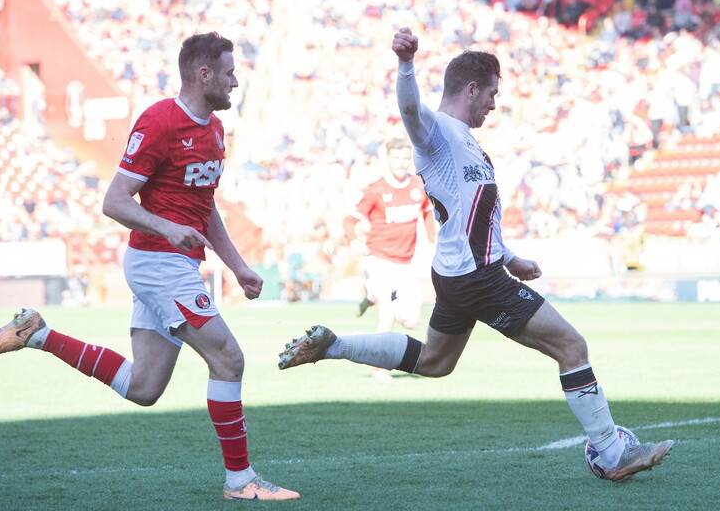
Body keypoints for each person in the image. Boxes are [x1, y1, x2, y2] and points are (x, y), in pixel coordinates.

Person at [278, 27, 674, 482]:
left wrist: (510, 256)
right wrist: (406, 63)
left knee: (435, 362)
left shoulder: (465, 142)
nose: (494, 102)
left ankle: (334, 345)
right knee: (572, 346)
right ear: (471, 88)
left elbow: (471, 213)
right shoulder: (438, 133)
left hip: (462, 272)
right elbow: (408, 109)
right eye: (492, 93)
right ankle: (610, 451)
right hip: (476, 277)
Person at [0, 32, 299, 501]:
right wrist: (166, 228)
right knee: (228, 359)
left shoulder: (214, 130)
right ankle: (240, 480)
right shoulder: (160, 121)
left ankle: (38, 334)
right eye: (229, 72)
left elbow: (203, 207)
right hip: (159, 264)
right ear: (203, 74)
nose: (235, 81)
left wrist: (237, 266)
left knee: (144, 388)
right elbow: (115, 200)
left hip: (174, 263)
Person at [344, 137, 436, 382]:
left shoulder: (418, 186)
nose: (402, 162)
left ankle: (372, 296)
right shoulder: (375, 189)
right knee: (387, 313)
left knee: (411, 321)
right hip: (379, 261)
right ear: (387, 160)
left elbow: (428, 213)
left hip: (405, 264)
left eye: (405, 158)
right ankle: (380, 368)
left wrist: (433, 242)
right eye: (397, 158)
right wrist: (354, 241)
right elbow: (349, 220)